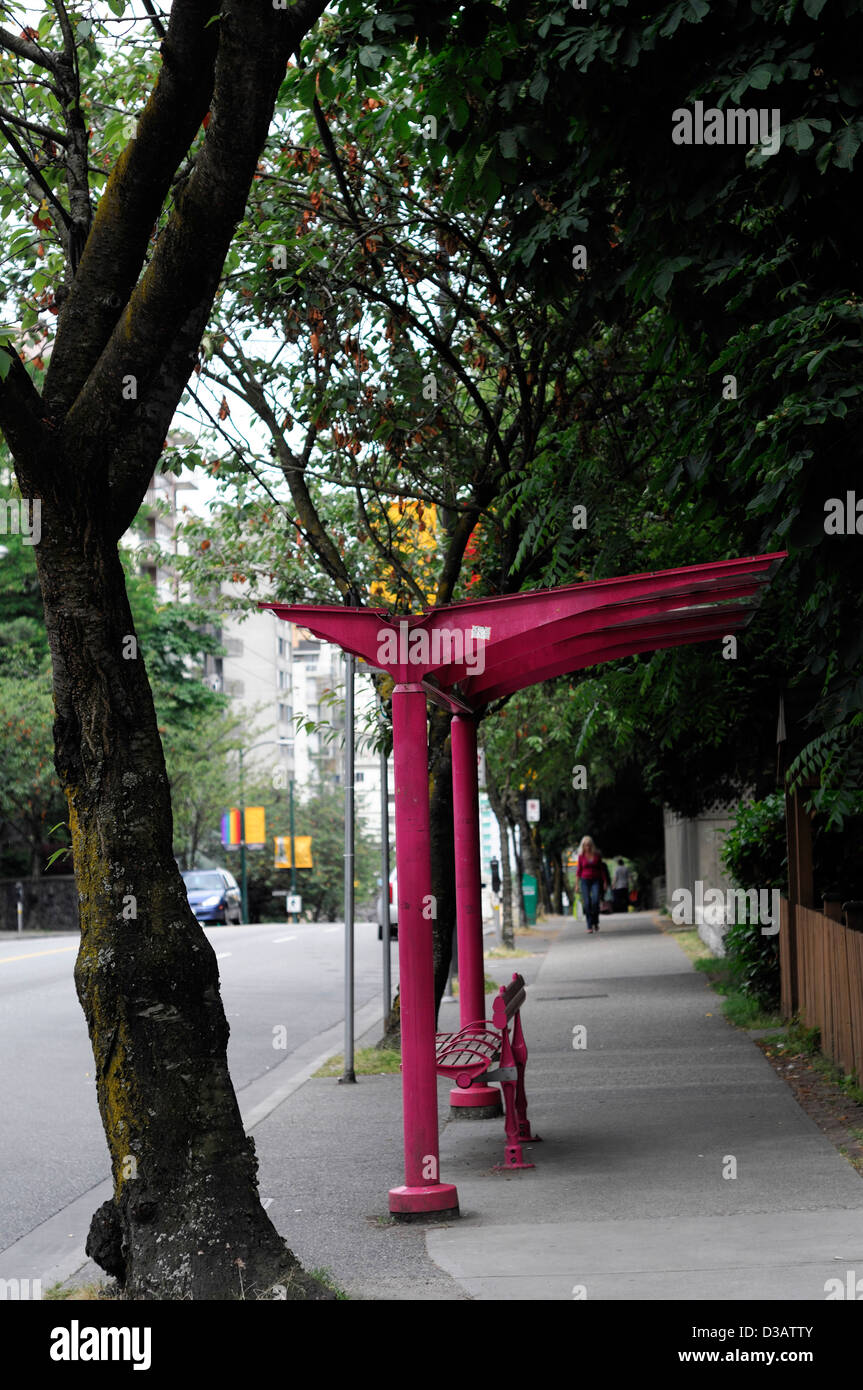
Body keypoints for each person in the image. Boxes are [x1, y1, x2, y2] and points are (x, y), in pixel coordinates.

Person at [576, 835, 606, 933]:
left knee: (595, 901)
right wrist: (576, 884)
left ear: (591, 845)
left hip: (596, 880)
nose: (587, 848)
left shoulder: (597, 855)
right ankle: (589, 925)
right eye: (585, 846)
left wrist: (605, 881)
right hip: (585, 881)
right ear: (583, 846)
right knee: (587, 903)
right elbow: (578, 871)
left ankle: (595, 922)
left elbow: (601, 869)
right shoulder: (581, 856)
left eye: (589, 845)